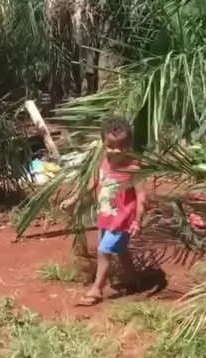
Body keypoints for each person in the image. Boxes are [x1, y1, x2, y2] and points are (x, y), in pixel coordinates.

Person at [60, 116, 146, 306]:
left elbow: (141, 195)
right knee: (120, 250)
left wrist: (138, 220)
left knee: (104, 250)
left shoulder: (133, 168)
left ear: (129, 145)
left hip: (122, 220)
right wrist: (73, 199)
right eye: (110, 146)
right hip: (106, 217)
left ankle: (96, 289)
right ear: (103, 144)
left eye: (121, 147)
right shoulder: (103, 162)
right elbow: (92, 183)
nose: (115, 151)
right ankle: (133, 279)